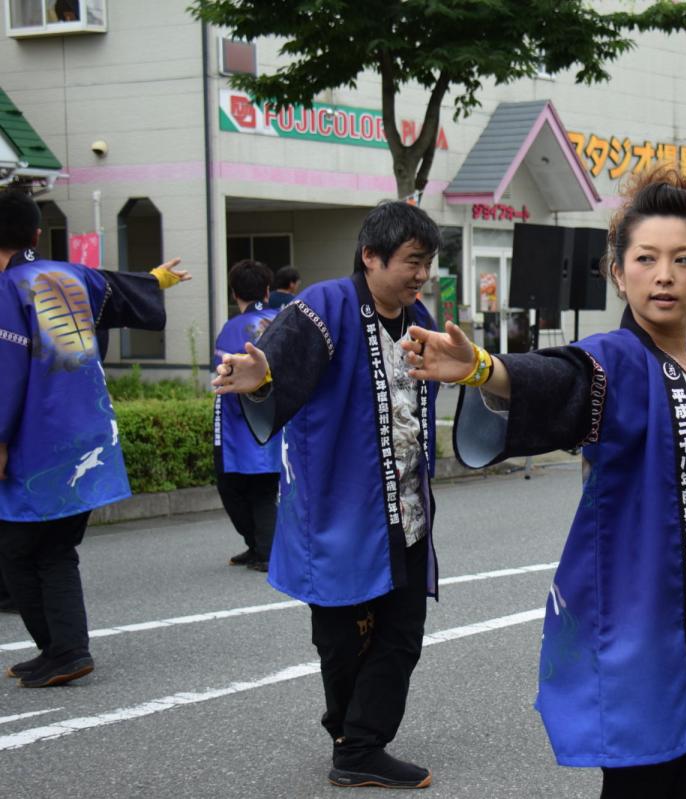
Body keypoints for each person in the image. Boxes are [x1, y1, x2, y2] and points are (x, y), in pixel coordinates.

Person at [412, 167, 686, 797]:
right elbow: (561, 381)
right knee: (644, 784)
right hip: (646, 625)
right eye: (646, 258)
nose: (664, 274)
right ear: (618, 271)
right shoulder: (617, 360)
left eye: (682, 259)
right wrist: (483, 369)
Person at [213, 202, 442, 790]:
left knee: (401, 634)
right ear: (371, 256)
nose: (421, 275)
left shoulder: (418, 319)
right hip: (342, 510)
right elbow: (274, 366)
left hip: (406, 512)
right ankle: (351, 736)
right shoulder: (325, 306)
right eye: (412, 261)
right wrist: (257, 376)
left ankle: (359, 744)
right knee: (341, 637)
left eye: (427, 263)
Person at [0, 188, 188, 688]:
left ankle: (63, 650)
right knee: (54, 549)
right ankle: (60, 649)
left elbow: (7, 374)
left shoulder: (7, 287)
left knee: (17, 549)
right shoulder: (70, 274)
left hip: (37, 441)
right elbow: (124, 293)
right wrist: (157, 279)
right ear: (36, 234)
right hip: (89, 436)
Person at [213, 259, 282, 573]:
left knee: (243, 489)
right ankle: (258, 546)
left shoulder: (232, 328)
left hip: (240, 425)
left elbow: (224, 376)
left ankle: (266, 549)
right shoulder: (284, 320)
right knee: (264, 487)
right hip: (279, 419)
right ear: (267, 291)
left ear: (234, 293)